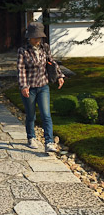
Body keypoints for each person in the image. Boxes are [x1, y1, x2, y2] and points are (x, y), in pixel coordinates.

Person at [17, 21, 65, 152]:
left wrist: (60, 75)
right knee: (31, 115)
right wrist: (23, 86)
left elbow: (51, 62)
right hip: (30, 87)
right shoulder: (23, 51)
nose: (37, 40)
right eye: (34, 37)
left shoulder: (45, 47)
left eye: (39, 37)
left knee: (46, 114)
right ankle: (31, 137)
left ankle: (49, 142)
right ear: (29, 37)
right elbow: (21, 70)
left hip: (43, 86)